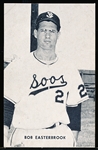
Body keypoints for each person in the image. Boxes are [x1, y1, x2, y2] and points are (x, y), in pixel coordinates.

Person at [4, 11, 89, 147]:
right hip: (26, 135)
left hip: (59, 134)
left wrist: (72, 139)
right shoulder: (18, 66)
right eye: (43, 30)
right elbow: (6, 106)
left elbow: (74, 109)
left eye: (52, 31)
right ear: (35, 33)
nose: (47, 35)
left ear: (58, 35)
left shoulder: (69, 68)